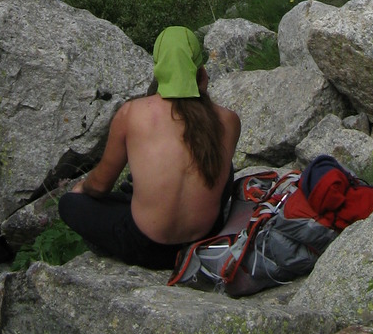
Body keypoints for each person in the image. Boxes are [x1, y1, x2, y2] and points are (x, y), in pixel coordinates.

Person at [58, 26, 241, 270]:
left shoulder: (132, 114)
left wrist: (82, 188)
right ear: (201, 72)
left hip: (147, 248)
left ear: (158, 69)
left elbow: (100, 186)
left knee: (69, 204)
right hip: (203, 240)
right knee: (220, 163)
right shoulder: (229, 121)